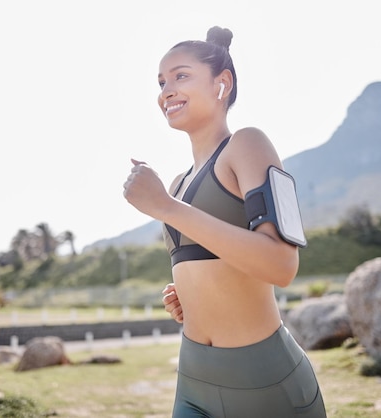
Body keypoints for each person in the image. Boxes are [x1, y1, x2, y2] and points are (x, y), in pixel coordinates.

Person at [123, 26, 327, 418]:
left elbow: (281, 266)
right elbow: (220, 260)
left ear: (222, 84)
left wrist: (164, 207)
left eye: (181, 76)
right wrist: (194, 295)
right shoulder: (179, 183)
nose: (166, 90)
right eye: (161, 81)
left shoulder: (248, 144)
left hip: (266, 384)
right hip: (193, 380)